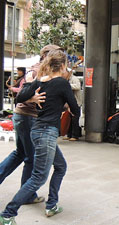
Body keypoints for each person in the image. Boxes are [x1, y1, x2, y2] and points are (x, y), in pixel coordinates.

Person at [0, 49, 80, 225]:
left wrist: (33, 97)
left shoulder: (39, 81)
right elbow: (76, 109)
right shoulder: (62, 83)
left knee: (60, 166)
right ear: (63, 65)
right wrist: (66, 106)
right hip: (47, 132)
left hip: (37, 130)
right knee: (38, 177)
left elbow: (19, 96)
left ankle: (51, 204)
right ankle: (8, 214)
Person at [0, 45, 62, 208]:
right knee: (30, 158)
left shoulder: (36, 69)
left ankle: (26, 192)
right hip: (30, 118)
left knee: (20, 153)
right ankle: (27, 195)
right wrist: (32, 99)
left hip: (22, 117)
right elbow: (22, 96)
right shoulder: (38, 71)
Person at [62, 70, 82, 141]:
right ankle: (69, 134)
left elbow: (78, 86)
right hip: (69, 102)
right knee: (69, 119)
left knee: (75, 118)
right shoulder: (66, 80)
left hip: (76, 101)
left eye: (63, 73)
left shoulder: (74, 79)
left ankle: (75, 135)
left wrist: (67, 86)